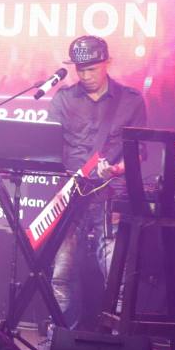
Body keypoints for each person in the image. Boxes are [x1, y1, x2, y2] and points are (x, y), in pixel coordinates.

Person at [48, 35, 147, 329]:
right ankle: (61, 338)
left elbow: (139, 152)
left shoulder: (130, 100)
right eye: (80, 70)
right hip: (71, 195)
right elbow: (49, 147)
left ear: (107, 63)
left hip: (111, 196)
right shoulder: (63, 99)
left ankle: (120, 340)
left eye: (92, 69)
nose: (86, 76)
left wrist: (116, 169)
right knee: (61, 274)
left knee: (117, 276)